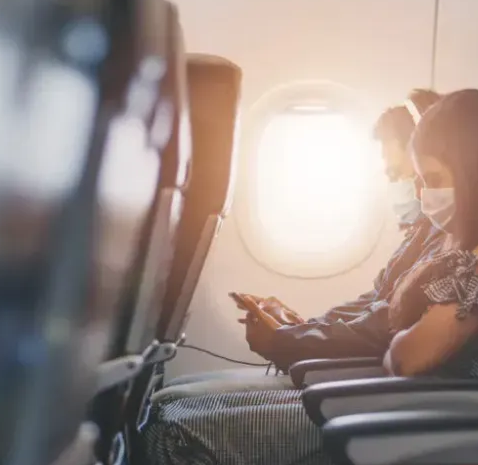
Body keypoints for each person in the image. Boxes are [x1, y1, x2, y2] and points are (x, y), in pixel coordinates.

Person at [139, 90, 478, 465]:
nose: (421, 194)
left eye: (432, 178)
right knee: (169, 416)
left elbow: (410, 356)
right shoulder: (471, 242)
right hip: (402, 413)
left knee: (174, 442)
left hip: (433, 440)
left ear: (477, 170)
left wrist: (408, 310)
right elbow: (401, 331)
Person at [160, 93, 445, 399]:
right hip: (352, 375)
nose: (409, 188)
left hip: (370, 388)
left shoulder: (449, 246)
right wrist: (304, 326)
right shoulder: (422, 235)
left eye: (400, 174)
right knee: (174, 395)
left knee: (172, 416)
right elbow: (375, 303)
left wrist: (287, 341)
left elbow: (384, 327)